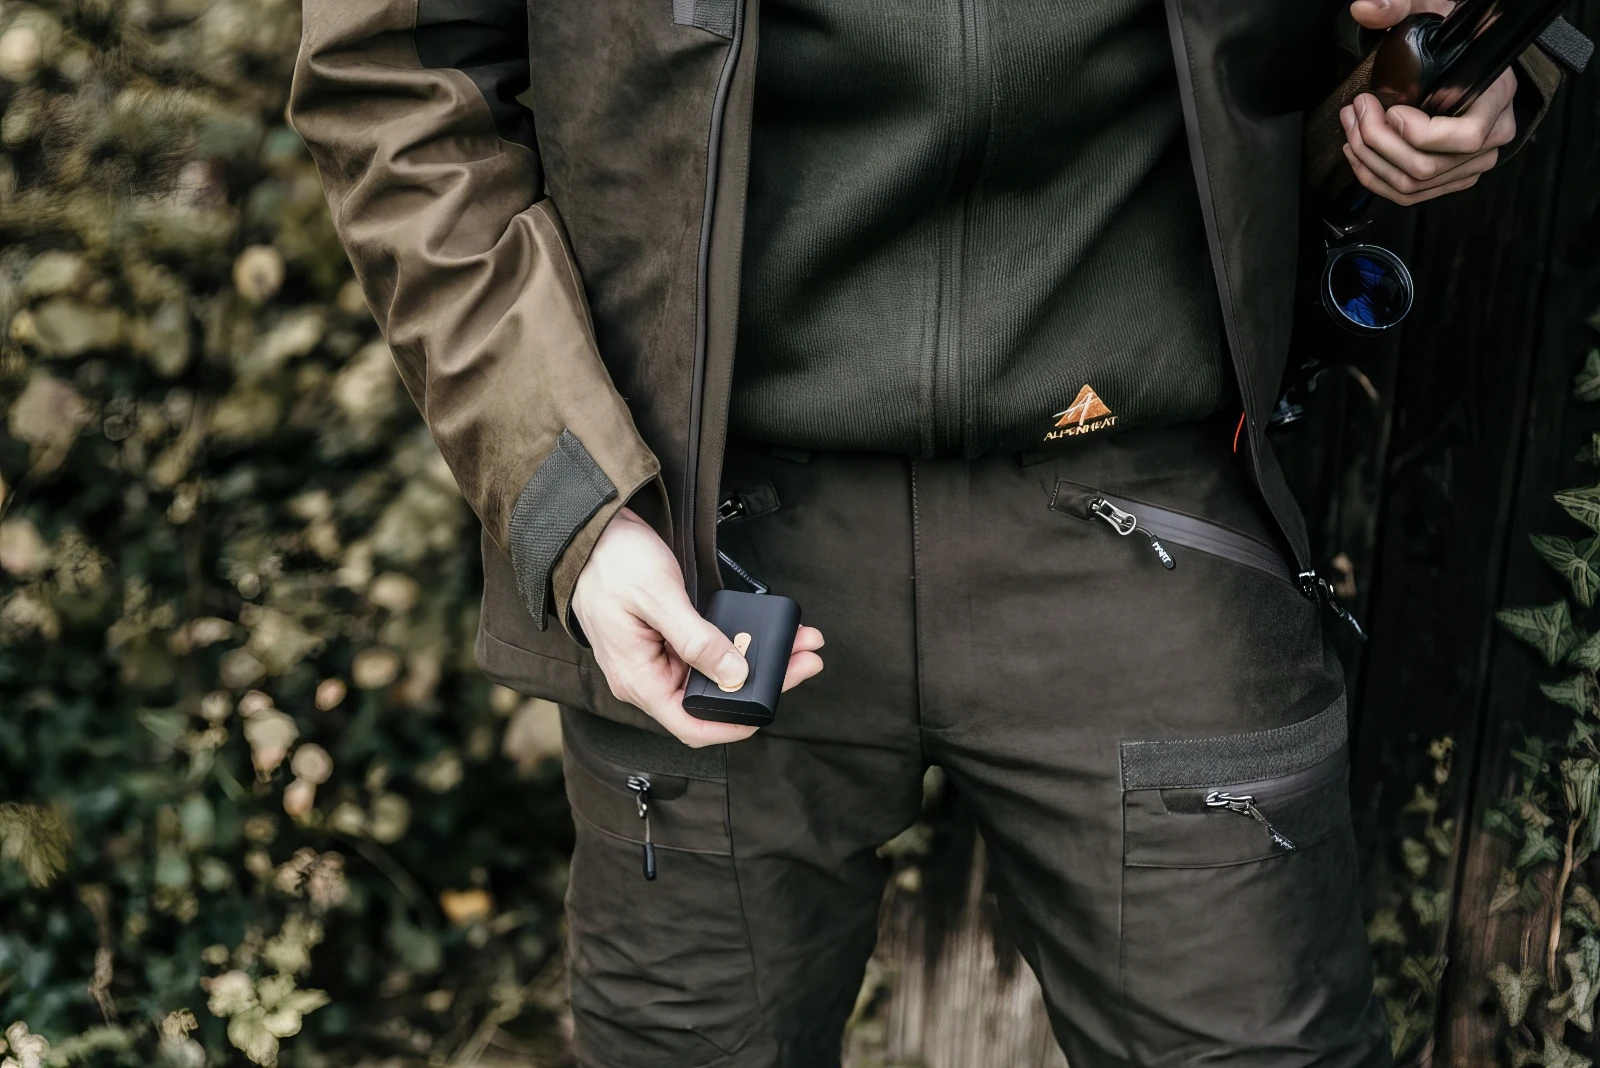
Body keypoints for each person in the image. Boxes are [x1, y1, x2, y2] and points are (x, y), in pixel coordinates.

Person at [288, 1, 1569, 1064]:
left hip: (1145, 505)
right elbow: (397, 75)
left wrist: (1497, 52)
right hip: (699, 540)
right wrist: (575, 501)